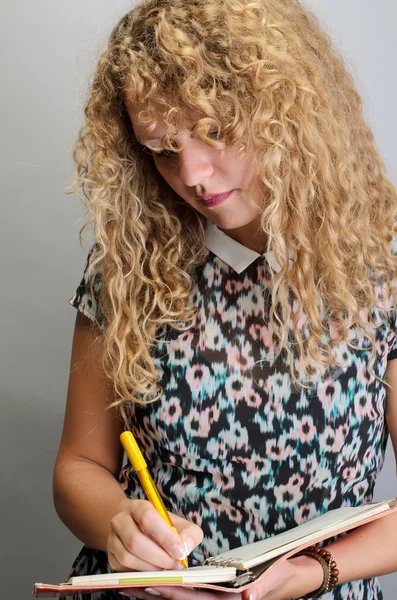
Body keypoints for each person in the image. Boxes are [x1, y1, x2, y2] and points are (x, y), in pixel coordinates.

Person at [53, 0, 397, 599]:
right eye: (162, 149)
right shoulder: (131, 265)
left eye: (215, 131)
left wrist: (316, 572)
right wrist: (119, 526)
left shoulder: (380, 267)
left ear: (285, 112)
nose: (192, 174)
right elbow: (78, 468)